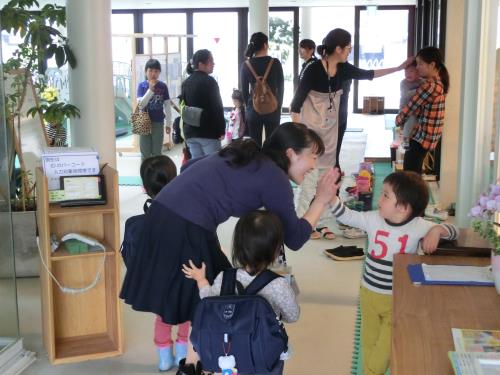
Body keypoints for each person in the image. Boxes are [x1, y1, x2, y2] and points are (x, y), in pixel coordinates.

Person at [120, 122, 338, 375]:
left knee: (217, 292)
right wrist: (321, 200)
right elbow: (296, 237)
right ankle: (200, 365)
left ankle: (206, 361)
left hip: (164, 214)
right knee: (212, 301)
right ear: (291, 153)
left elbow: (190, 167)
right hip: (185, 226)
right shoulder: (274, 177)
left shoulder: (248, 154)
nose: (314, 165)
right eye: (312, 156)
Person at [328, 169, 458, 375]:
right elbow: (349, 216)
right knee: (369, 341)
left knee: (386, 346)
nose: (379, 198)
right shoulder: (373, 219)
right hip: (368, 294)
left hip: (396, 299)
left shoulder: (418, 226)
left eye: (386, 195)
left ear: (403, 208)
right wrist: (331, 198)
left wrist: (437, 230)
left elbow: (455, 231)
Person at [291, 28, 411, 240]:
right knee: (308, 184)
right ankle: (303, 223)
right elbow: (295, 106)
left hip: (330, 135)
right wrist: (302, 137)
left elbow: (369, 74)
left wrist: (400, 67)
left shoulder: (343, 69)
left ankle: (322, 223)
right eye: (348, 48)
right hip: (310, 137)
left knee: (328, 180)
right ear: (338, 48)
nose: (350, 52)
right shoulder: (312, 70)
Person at [182, 210, 299, 375]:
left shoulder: (224, 277)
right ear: (276, 250)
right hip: (262, 356)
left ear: (237, 246)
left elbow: (208, 301)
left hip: (224, 354)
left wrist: (201, 280)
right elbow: (292, 316)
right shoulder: (278, 284)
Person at [138, 155, 190, 372]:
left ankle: (164, 359)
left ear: (144, 187)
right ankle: (183, 356)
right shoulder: (187, 207)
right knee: (187, 315)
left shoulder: (149, 212)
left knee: (163, 317)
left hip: (161, 276)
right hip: (186, 273)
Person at [395, 46, 449, 174]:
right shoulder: (436, 82)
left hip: (425, 135)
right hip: (425, 133)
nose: (417, 67)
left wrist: (398, 121)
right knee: (413, 168)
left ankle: (414, 193)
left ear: (432, 65)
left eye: (420, 64)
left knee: (411, 171)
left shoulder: (430, 86)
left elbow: (411, 106)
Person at [240, 32, 284, 147]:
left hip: (254, 109)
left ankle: (257, 164)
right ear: (265, 45)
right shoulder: (275, 63)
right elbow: (281, 87)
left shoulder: (246, 65)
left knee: (254, 144)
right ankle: (270, 164)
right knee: (272, 143)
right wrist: (278, 105)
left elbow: (244, 90)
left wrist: (248, 106)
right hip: (272, 108)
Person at [180, 49, 225, 158]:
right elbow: (217, 108)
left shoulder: (186, 82)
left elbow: (183, 106)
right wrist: (221, 129)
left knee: (197, 166)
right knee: (213, 166)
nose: (213, 63)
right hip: (208, 132)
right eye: (210, 61)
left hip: (190, 132)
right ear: (201, 64)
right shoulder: (210, 81)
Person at [137, 58, 171, 161]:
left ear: (159, 72)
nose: (153, 73)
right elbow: (141, 105)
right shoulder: (141, 86)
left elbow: (167, 106)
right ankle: (145, 175)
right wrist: (150, 90)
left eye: (156, 71)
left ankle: (156, 176)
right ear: (145, 72)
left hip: (158, 122)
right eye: (150, 70)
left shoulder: (163, 86)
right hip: (143, 121)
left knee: (157, 152)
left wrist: (168, 124)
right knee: (145, 153)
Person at [399, 60, 422, 149]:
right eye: (406, 71)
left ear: (418, 72)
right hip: (405, 109)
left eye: (411, 71)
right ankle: (405, 139)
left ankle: (416, 138)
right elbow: (405, 94)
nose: (408, 74)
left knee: (417, 122)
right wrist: (419, 90)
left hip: (417, 109)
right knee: (410, 119)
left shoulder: (421, 82)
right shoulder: (403, 83)